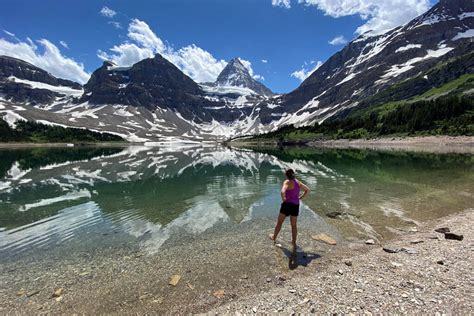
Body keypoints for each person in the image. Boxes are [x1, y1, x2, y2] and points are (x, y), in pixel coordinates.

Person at [270, 169, 310, 251]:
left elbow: (282, 192)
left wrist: (284, 199)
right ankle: (293, 242)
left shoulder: (287, 182)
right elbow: (307, 190)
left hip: (287, 205)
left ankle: (274, 237)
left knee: (279, 223)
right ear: (293, 174)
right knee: (294, 225)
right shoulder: (297, 182)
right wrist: (300, 198)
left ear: (286, 175)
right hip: (295, 205)